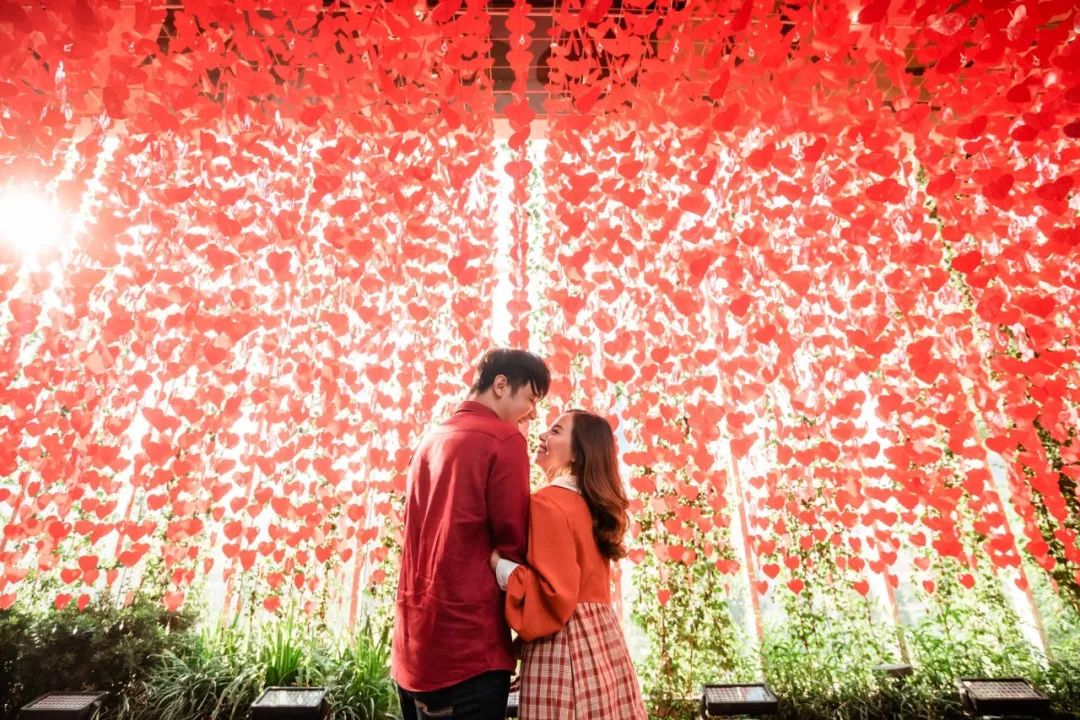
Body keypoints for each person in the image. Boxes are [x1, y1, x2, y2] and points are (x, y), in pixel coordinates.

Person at [392, 348, 551, 720]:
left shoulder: (431, 438)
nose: (532, 412)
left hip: (412, 645)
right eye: (531, 399)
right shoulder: (504, 439)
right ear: (501, 384)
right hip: (468, 649)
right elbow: (513, 545)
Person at [490, 410, 647, 720]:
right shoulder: (594, 505)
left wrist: (498, 564)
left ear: (578, 452)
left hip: (563, 646)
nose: (542, 436)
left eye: (555, 431)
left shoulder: (547, 503)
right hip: (605, 642)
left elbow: (554, 596)